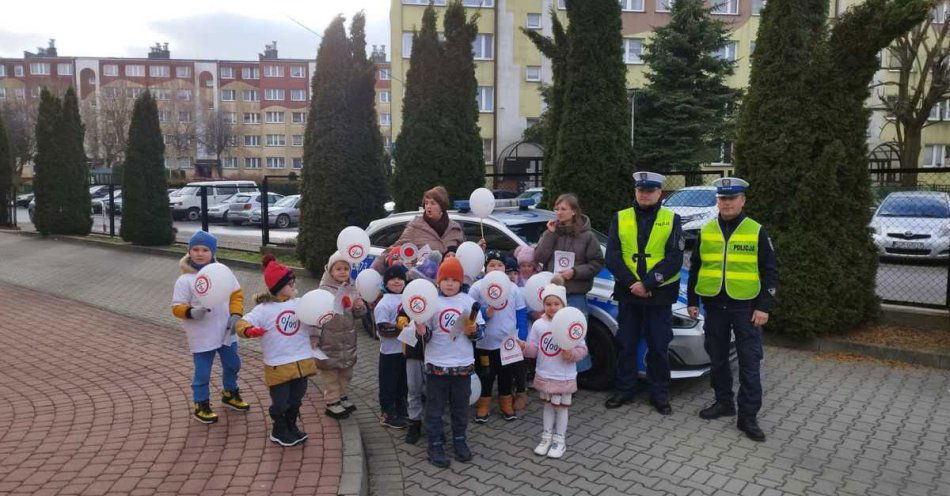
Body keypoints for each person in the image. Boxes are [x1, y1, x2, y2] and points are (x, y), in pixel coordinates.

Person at [687, 177, 777, 442]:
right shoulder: (706, 230)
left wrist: (764, 306)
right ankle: (724, 402)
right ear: (717, 201)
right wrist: (693, 300)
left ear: (742, 200)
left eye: (732, 198)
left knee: (750, 361)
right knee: (717, 357)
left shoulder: (756, 230)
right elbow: (696, 268)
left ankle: (748, 418)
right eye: (722, 199)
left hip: (745, 306)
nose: (726, 203)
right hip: (714, 304)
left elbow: (770, 272)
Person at [604, 172, 684, 415]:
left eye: (650, 191)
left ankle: (659, 394)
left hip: (659, 295)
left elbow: (674, 258)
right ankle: (624, 389)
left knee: (659, 346)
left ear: (659, 193)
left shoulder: (672, 219)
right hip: (629, 293)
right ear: (636, 192)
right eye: (641, 190)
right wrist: (634, 284)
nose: (645, 194)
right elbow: (613, 256)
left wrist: (648, 285)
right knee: (626, 344)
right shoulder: (620, 217)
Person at [234, 255, 317, 446]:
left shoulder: (299, 303)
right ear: (279, 286)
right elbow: (242, 323)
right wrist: (249, 330)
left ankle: (291, 426)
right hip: (278, 365)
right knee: (281, 402)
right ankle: (279, 430)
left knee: (296, 399)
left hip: (301, 362)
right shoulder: (264, 310)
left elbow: (319, 311)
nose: (294, 285)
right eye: (290, 283)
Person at [171, 231, 249, 424]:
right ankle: (201, 403)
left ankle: (230, 393)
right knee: (203, 372)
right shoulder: (185, 280)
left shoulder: (223, 271)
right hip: (202, 334)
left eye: (205, 250)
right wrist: (190, 312)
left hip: (226, 330)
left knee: (233, 364)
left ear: (213, 252)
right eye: (195, 249)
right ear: (189, 251)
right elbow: (176, 306)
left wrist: (236, 314)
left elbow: (236, 294)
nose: (199, 253)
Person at [414, 257, 485, 468]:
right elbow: (425, 336)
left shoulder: (468, 302)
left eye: (454, 279)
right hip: (437, 365)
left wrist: (474, 331)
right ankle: (435, 444)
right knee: (434, 409)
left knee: (460, 408)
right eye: (446, 279)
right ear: (438, 281)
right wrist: (421, 331)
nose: (450, 283)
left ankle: (460, 440)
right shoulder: (432, 303)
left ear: (461, 281)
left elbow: (480, 333)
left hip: (462, 365)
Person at [518, 276, 587, 459]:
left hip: (563, 375)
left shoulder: (570, 323)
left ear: (563, 305)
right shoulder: (539, 325)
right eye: (548, 303)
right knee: (548, 406)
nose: (552, 307)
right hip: (545, 373)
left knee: (562, 408)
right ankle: (546, 437)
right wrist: (524, 347)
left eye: (556, 303)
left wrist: (571, 354)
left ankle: (560, 440)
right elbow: (534, 349)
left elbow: (582, 349)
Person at [469, 251, 529, 423]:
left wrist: (522, 337)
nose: (496, 268)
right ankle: (483, 405)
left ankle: (506, 404)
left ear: (505, 268)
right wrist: (484, 314)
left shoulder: (513, 288)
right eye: (492, 264)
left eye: (500, 265)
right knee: (486, 375)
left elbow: (521, 314)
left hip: (508, 344)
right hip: (484, 344)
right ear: (486, 268)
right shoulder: (477, 287)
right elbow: (468, 314)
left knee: (506, 375)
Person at [533, 194, 605, 317]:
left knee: (573, 333)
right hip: (552, 295)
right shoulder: (551, 232)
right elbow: (539, 257)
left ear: (574, 211)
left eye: (563, 209)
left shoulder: (587, 236)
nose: (559, 212)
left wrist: (574, 272)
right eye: (557, 209)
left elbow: (596, 263)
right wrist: (550, 234)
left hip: (575, 295)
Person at [315, 252, 367, 419]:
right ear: (330, 271)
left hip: (347, 340)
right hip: (329, 341)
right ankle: (332, 401)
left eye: (346, 268)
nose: (343, 272)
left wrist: (359, 306)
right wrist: (314, 339)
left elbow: (359, 315)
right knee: (330, 373)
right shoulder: (323, 291)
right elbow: (315, 317)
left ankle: (342, 396)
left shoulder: (352, 289)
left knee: (346, 372)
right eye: (338, 268)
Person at [372, 186, 465, 274]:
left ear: (442, 207)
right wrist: (384, 263)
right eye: (426, 203)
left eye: (433, 203)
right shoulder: (415, 227)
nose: (428, 206)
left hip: (448, 282)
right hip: (421, 282)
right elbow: (393, 250)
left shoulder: (454, 228)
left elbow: (464, 253)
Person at [374, 265, 411, 429]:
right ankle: (387, 413)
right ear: (386, 282)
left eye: (400, 278)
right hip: (389, 352)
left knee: (403, 383)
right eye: (392, 278)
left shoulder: (409, 299)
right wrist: (400, 328)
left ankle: (401, 409)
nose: (397, 281)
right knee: (389, 384)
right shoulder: (383, 304)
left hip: (406, 350)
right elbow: (382, 330)